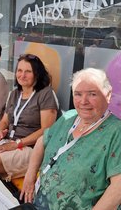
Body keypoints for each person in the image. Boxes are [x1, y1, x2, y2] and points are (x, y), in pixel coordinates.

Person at [21, 68, 121, 209]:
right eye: (78, 94)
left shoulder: (116, 131)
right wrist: (30, 176)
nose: (83, 101)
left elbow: (118, 188)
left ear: (108, 95)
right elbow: (41, 142)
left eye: (92, 94)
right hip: (38, 201)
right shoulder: (69, 117)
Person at [0, 54, 58, 180]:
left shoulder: (45, 94)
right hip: (10, 143)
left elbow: (47, 130)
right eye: (20, 71)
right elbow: (5, 120)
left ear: (37, 74)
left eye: (28, 71)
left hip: (30, 148)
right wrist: (0, 130)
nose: (22, 75)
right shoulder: (15, 93)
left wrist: (18, 143)